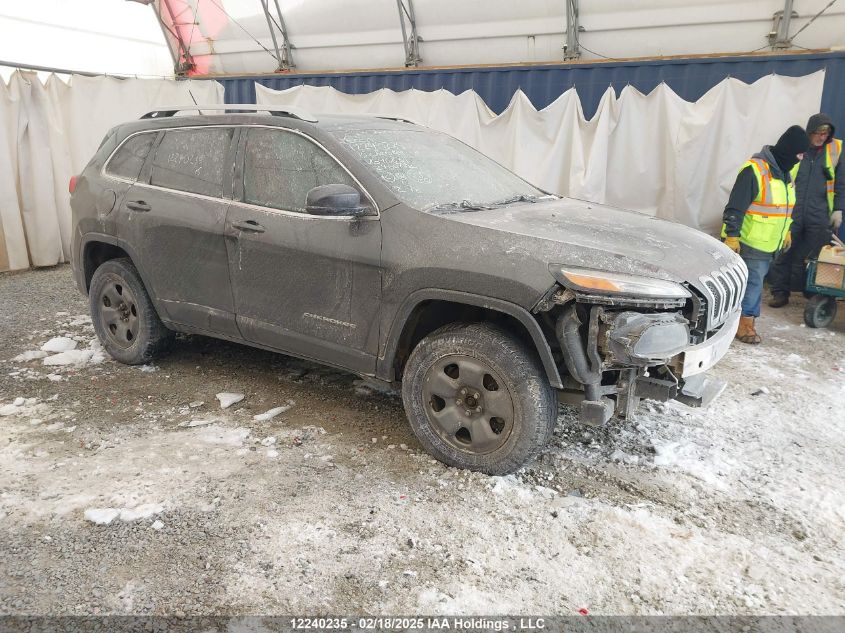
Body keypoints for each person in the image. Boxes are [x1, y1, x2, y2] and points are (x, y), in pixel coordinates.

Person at [721, 125, 809, 344]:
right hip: (750, 240)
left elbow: (784, 208)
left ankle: (733, 320)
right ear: (788, 150)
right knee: (753, 284)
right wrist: (732, 235)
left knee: (751, 283)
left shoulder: (785, 174)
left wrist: (786, 231)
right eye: (798, 154)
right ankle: (745, 325)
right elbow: (735, 206)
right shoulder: (755, 170)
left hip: (770, 243)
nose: (799, 159)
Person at [768, 114, 842, 307]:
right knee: (783, 251)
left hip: (820, 212)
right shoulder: (797, 147)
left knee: (818, 254)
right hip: (791, 209)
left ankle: (813, 294)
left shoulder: (836, 150)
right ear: (810, 132)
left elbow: (841, 183)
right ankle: (780, 292)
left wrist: (839, 209)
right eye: (817, 133)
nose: (821, 137)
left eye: (825, 133)